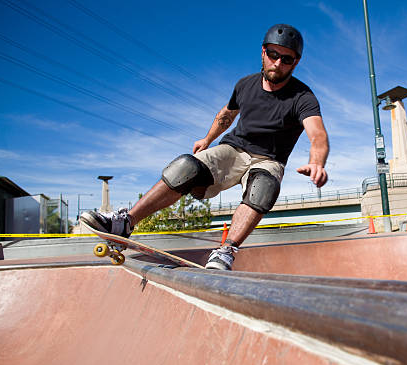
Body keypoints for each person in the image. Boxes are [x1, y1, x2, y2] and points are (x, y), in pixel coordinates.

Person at [81, 24, 329, 271]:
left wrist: (317, 161)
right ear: (263, 52)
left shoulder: (303, 97)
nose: (278, 63)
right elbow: (226, 115)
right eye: (273, 55)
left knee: (264, 187)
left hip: (269, 159)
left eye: (286, 59)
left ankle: (226, 251)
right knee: (185, 167)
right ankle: (125, 223)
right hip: (233, 150)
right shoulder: (245, 85)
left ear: (295, 62)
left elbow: (317, 135)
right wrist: (207, 139)